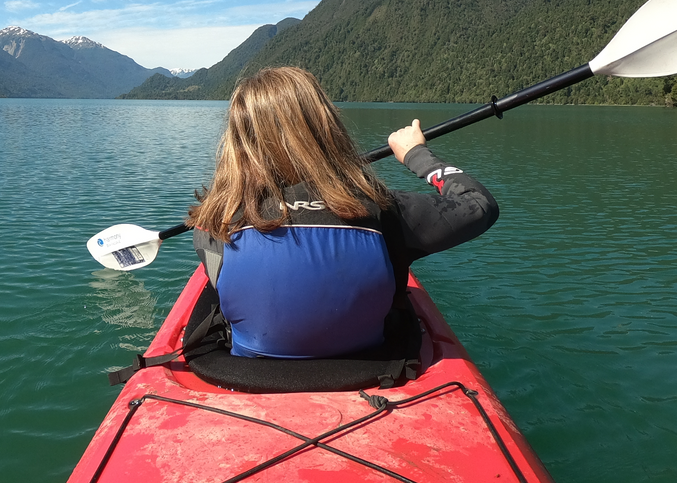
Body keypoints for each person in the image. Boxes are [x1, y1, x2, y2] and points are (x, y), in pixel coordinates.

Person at [190, 66, 498, 360]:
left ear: (237, 142)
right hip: (372, 370)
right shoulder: (387, 213)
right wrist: (417, 155)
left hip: (248, 376)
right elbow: (480, 203)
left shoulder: (212, 225)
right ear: (327, 127)